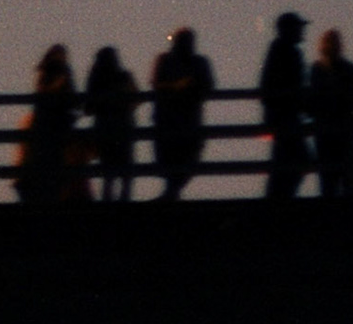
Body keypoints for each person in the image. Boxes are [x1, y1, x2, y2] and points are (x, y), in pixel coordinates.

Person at [150, 27, 214, 201]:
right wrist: (177, 87)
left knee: (188, 158)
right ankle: (171, 193)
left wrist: (192, 87)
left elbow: (209, 86)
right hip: (169, 120)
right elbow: (156, 84)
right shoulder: (165, 60)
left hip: (189, 120)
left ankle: (171, 193)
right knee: (170, 158)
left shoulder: (200, 62)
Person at [18, 45, 80, 204]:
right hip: (50, 124)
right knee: (50, 161)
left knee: (52, 162)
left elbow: (72, 97)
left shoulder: (56, 71)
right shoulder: (50, 71)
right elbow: (44, 93)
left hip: (53, 124)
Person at [308, 28, 353, 196]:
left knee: (343, 179)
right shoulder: (319, 70)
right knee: (331, 180)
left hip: (340, 132)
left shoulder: (322, 70)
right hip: (329, 132)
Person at [258, 13, 310, 201]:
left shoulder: (280, 49)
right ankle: (279, 199)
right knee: (296, 158)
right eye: (298, 27)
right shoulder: (285, 50)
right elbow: (278, 85)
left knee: (286, 159)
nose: (301, 31)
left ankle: (278, 198)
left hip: (282, 115)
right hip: (285, 116)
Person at [84, 46, 139, 202]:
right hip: (121, 127)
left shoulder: (97, 79)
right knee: (122, 169)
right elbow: (135, 100)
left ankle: (110, 200)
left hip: (109, 127)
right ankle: (122, 200)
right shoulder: (123, 76)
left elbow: (88, 108)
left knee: (110, 171)